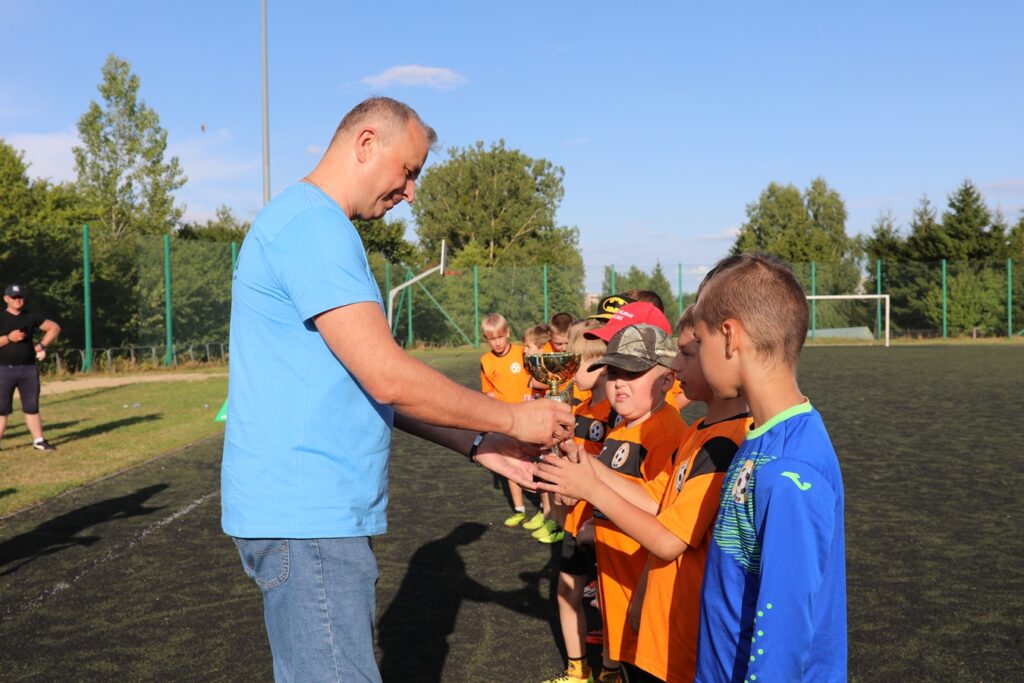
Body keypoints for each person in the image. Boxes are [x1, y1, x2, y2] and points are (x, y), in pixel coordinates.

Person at [221, 96, 572, 683]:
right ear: (366, 144)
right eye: (409, 171)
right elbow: (387, 375)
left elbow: (364, 384)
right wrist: (515, 420)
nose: (410, 192)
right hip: (309, 516)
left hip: (310, 516)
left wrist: (477, 442)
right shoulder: (314, 227)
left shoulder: (310, 223)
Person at [539, 306, 751, 682]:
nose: (678, 366)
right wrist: (584, 467)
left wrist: (591, 487)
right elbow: (659, 501)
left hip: (673, 622)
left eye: (688, 353)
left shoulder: (709, 439)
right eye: (613, 373)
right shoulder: (697, 430)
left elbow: (667, 537)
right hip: (640, 603)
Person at [690, 253, 847, 682]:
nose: (699, 355)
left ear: (730, 337)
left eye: (700, 341)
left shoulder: (790, 469)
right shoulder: (762, 435)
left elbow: (786, 633)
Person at [549, 323, 688, 682]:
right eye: (613, 373)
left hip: (645, 594)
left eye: (633, 373)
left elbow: (661, 512)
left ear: (667, 380)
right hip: (617, 586)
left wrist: (592, 484)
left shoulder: (666, 431)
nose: (619, 383)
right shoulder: (624, 427)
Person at [541, 318, 614, 683]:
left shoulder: (617, 416)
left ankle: (612, 670)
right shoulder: (579, 409)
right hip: (574, 521)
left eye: (578, 361)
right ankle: (577, 669)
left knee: (611, 601)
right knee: (566, 592)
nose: (569, 369)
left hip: (603, 523)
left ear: (602, 365)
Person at [479, 313, 537, 529]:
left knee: (536, 460)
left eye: (500, 337)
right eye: (491, 339)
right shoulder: (486, 361)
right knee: (511, 462)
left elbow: (536, 379)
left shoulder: (523, 352)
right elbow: (489, 393)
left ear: (507, 333)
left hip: (529, 416)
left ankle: (545, 509)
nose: (497, 343)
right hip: (506, 422)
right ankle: (519, 509)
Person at [0, 284, 60, 451]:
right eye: (14, 297)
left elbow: (54, 328)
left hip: (28, 369)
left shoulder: (31, 317)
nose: (18, 300)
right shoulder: (1, 318)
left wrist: (42, 345)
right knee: (2, 409)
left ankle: (38, 441)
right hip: (4, 369)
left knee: (31, 406)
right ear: (6, 299)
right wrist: (9, 338)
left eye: (20, 297)